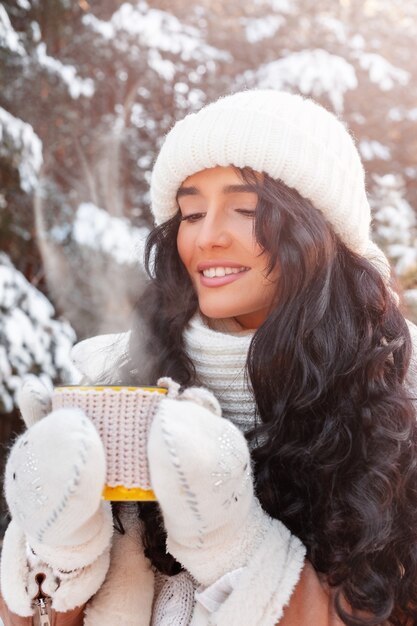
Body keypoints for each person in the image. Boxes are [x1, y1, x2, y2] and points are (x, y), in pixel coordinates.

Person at [1, 89, 417, 626]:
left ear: (317, 233)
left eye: (246, 209)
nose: (208, 236)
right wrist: (56, 552)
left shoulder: (395, 401)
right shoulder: (124, 380)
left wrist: (232, 543)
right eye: (192, 211)